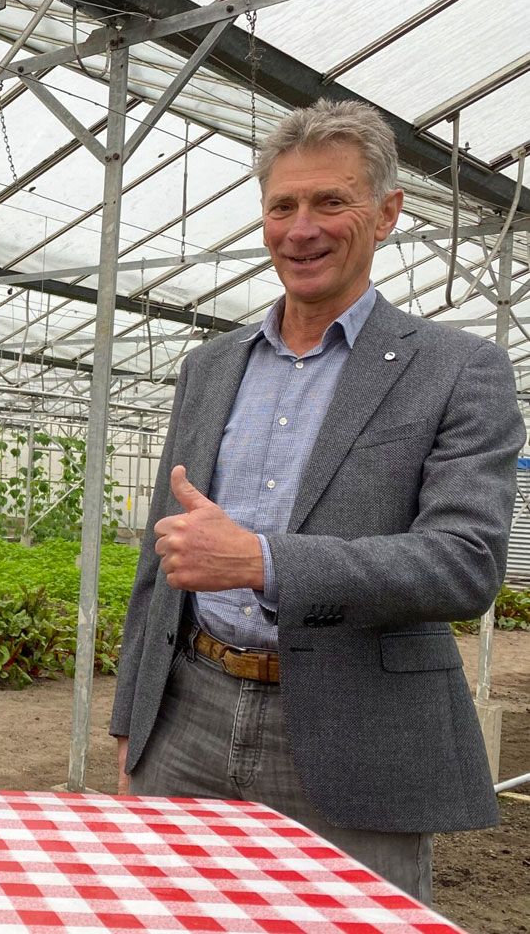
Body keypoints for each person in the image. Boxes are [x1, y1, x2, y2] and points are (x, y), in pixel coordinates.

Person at [110, 99, 522, 904]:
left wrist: (263, 562)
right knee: (168, 916)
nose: (302, 229)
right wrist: (132, 718)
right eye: (283, 205)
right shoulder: (210, 367)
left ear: (386, 213)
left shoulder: (456, 369)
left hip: (356, 730)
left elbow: (465, 563)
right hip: (188, 711)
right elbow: (163, 559)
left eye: (331, 202)